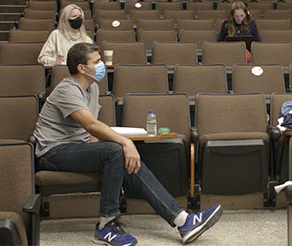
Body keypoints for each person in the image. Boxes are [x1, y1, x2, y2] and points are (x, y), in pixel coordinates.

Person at [34, 43, 222, 246]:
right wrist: (124, 143)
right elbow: (91, 125)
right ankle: (107, 224)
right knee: (117, 150)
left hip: (76, 148)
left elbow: (90, 135)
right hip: (52, 152)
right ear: (81, 68)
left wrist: (120, 148)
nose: (102, 65)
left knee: (121, 156)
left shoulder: (93, 88)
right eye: (97, 62)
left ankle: (182, 221)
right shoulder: (67, 89)